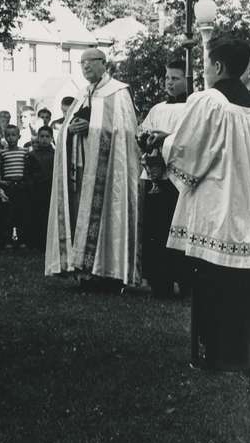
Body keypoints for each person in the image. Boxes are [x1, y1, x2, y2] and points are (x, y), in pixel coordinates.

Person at [149, 35, 250, 370]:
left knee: (215, 285)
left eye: (205, 64)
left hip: (219, 209)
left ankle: (216, 355)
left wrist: (166, 142)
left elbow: (189, 154)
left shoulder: (210, 102)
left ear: (217, 66)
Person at [45, 48, 141, 289]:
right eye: (82, 63)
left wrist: (90, 126)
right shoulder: (82, 93)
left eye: (90, 62)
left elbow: (126, 131)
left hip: (107, 174)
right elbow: (66, 126)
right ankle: (83, 270)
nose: (85, 67)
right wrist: (72, 129)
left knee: (107, 215)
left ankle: (108, 271)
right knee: (80, 214)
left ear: (103, 63)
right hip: (82, 167)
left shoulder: (118, 92)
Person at [138, 57, 189, 298]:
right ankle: (160, 281)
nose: (169, 83)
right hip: (154, 175)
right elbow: (142, 131)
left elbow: (192, 140)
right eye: (167, 78)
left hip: (178, 180)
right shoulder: (157, 108)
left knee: (176, 230)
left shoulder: (192, 107)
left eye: (175, 78)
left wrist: (166, 138)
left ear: (187, 79)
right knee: (155, 230)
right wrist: (147, 140)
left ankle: (183, 279)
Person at [25, 125, 56, 251]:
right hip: (36, 190)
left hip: (50, 189)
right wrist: (31, 186)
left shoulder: (56, 154)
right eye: (42, 136)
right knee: (36, 216)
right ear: (38, 137)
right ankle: (36, 243)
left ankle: (48, 243)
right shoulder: (32, 155)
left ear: (52, 138)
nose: (44, 139)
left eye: (47, 137)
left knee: (48, 216)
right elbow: (28, 173)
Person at [0, 124, 30, 247]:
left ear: (19, 136)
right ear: (4, 137)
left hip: (21, 185)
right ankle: (8, 239)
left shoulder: (24, 152)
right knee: (8, 213)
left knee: (21, 213)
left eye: (13, 135)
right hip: (8, 185)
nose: (11, 138)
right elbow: (0, 169)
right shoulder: (2, 153)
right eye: (8, 135)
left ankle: (22, 239)